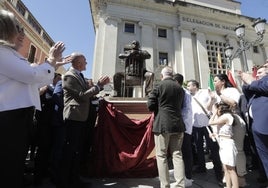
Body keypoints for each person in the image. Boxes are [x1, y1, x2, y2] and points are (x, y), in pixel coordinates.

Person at [0, 9, 65, 188]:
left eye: (23, 30)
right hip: (8, 120)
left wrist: (50, 65)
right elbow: (31, 76)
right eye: (17, 29)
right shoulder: (2, 52)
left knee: (13, 167)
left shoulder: (11, 54)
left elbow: (33, 84)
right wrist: (50, 60)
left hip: (19, 118)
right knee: (7, 169)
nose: (22, 34)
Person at [60, 52, 110, 188]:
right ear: (78, 63)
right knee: (70, 150)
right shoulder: (69, 76)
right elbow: (82, 96)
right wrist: (98, 86)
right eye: (85, 61)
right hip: (74, 117)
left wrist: (98, 91)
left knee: (77, 150)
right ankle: (64, 181)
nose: (87, 63)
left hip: (81, 117)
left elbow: (87, 95)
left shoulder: (79, 75)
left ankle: (74, 179)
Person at [147, 66, 185, 188]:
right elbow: (182, 105)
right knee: (177, 154)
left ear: (162, 76)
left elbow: (150, 105)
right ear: (172, 75)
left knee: (161, 155)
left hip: (163, 125)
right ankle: (180, 185)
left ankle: (165, 185)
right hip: (178, 124)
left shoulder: (158, 86)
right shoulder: (180, 88)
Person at [213, 74, 247, 187]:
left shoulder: (232, 90)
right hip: (221, 127)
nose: (214, 83)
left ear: (223, 81)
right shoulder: (215, 94)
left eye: (216, 80)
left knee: (238, 150)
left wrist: (220, 95)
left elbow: (233, 103)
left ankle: (241, 176)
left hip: (234, 123)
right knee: (225, 151)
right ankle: (228, 176)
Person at [186, 80, 223, 185]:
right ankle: (201, 167)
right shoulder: (189, 96)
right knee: (199, 148)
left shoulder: (205, 92)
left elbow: (214, 103)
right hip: (196, 126)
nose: (188, 87)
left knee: (213, 148)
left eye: (189, 85)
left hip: (208, 125)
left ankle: (218, 172)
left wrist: (211, 100)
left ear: (195, 86)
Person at [240, 63, 268, 183]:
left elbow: (265, 86)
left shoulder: (263, 84)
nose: (257, 75)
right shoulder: (257, 86)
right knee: (264, 158)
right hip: (256, 127)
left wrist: (251, 80)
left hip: (265, 127)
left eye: (260, 72)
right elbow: (246, 90)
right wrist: (248, 81)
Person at [208, 101, 239, 188]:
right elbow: (224, 132)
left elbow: (210, 122)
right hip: (223, 143)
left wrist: (214, 113)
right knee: (226, 168)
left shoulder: (226, 116)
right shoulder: (225, 117)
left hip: (227, 145)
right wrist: (216, 135)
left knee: (231, 169)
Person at [173, 73, 193, 187]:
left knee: (186, 152)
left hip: (184, 127)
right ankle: (182, 175)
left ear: (176, 82)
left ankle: (188, 177)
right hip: (182, 126)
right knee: (181, 152)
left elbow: (186, 110)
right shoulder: (182, 91)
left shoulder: (184, 92)